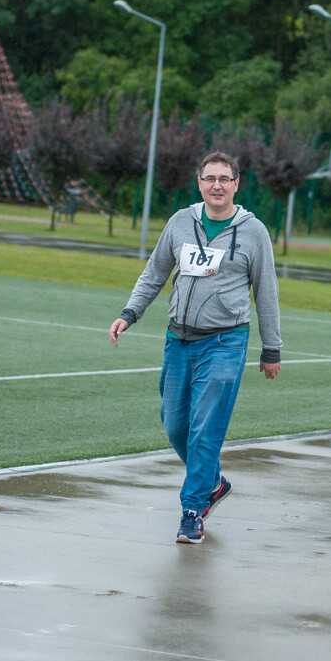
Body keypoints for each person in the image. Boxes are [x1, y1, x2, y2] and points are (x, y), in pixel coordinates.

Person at [109, 151, 281, 544]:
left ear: (237, 184)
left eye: (224, 178)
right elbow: (154, 272)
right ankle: (213, 483)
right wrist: (130, 312)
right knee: (175, 423)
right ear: (199, 183)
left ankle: (192, 510)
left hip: (225, 342)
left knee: (205, 430)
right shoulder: (180, 222)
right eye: (209, 178)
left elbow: (266, 293)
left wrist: (271, 349)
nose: (216, 185)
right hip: (178, 340)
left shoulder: (254, 232)